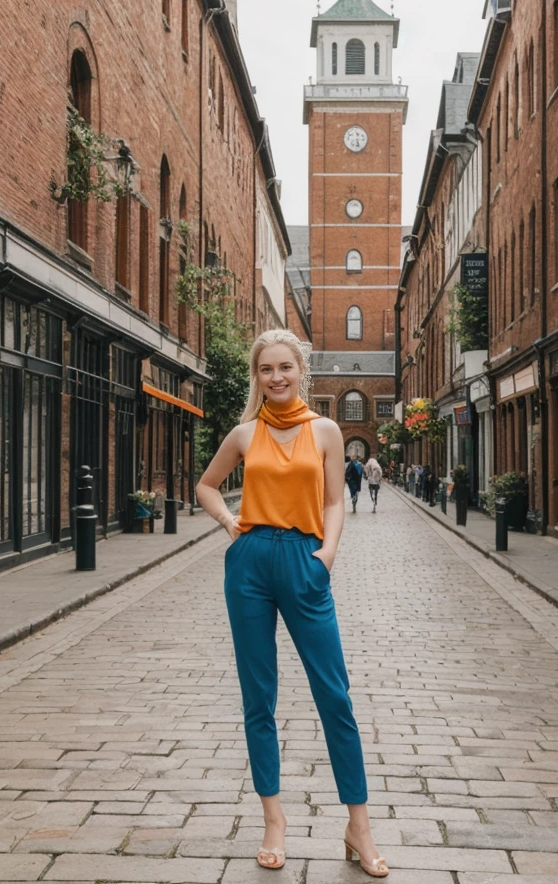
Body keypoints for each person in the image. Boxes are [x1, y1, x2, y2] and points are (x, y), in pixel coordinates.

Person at [196, 330, 387, 877]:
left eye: (285, 367)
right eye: (265, 370)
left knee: (335, 696)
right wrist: (232, 523)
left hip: (305, 560)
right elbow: (206, 486)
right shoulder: (244, 433)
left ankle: (360, 827)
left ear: (302, 370)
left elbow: (332, 501)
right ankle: (273, 820)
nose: (276, 377)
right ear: (257, 377)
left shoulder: (325, 430)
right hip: (251, 561)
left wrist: (325, 555)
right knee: (259, 697)